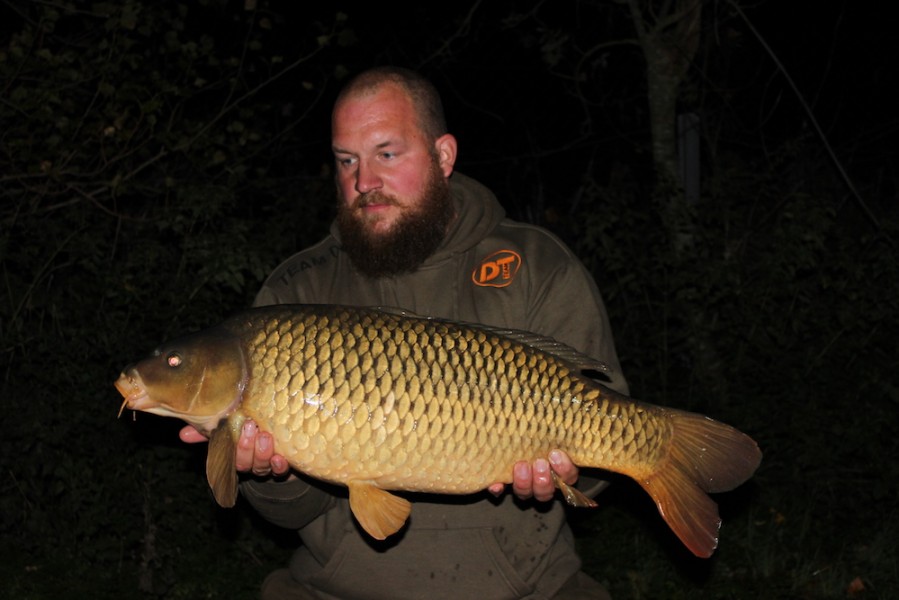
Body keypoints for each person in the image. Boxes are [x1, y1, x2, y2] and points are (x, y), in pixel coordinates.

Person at [181, 66, 629, 599]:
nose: (363, 181)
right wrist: (267, 474)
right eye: (347, 161)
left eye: (386, 155)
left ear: (443, 156)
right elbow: (292, 513)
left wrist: (570, 470)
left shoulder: (536, 266)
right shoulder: (296, 293)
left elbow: (604, 450)